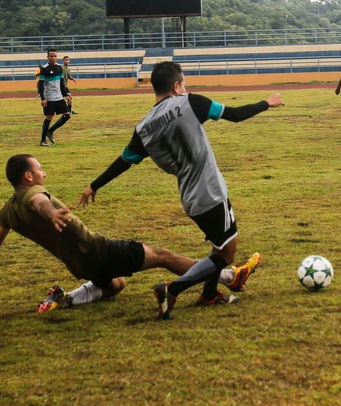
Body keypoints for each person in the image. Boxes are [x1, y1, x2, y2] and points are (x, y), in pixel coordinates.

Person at [77, 61, 283, 318]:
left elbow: (124, 162)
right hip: (211, 192)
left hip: (189, 196)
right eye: (183, 83)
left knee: (218, 247)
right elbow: (235, 114)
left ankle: (209, 295)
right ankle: (172, 289)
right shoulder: (191, 102)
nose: (186, 88)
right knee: (227, 254)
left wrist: (93, 185)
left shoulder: (143, 128)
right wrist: (267, 102)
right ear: (176, 86)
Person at [0, 154, 254, 312]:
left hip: (79, 264)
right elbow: (39, 202)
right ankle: (228, 275)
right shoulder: (33, 194)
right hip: (97, 249)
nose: (43, 173)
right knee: (161, 255)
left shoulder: (7, 211)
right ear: (27, 177)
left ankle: (66, 297)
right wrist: (51, 213)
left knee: (116, 285)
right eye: (39, 169)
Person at [37, 50, 71, 146]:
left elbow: (61, 83)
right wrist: (43, 98)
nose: (53, 58)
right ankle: (43, 140)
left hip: (59, 96)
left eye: (55, 56)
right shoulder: (44, 69)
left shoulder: (59, 68)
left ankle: (50, 131)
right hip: (49, 97)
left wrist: (66, 95)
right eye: (51, 56)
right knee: (49, 117)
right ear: (47, 57)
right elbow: (41, 85)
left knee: (67, 115)